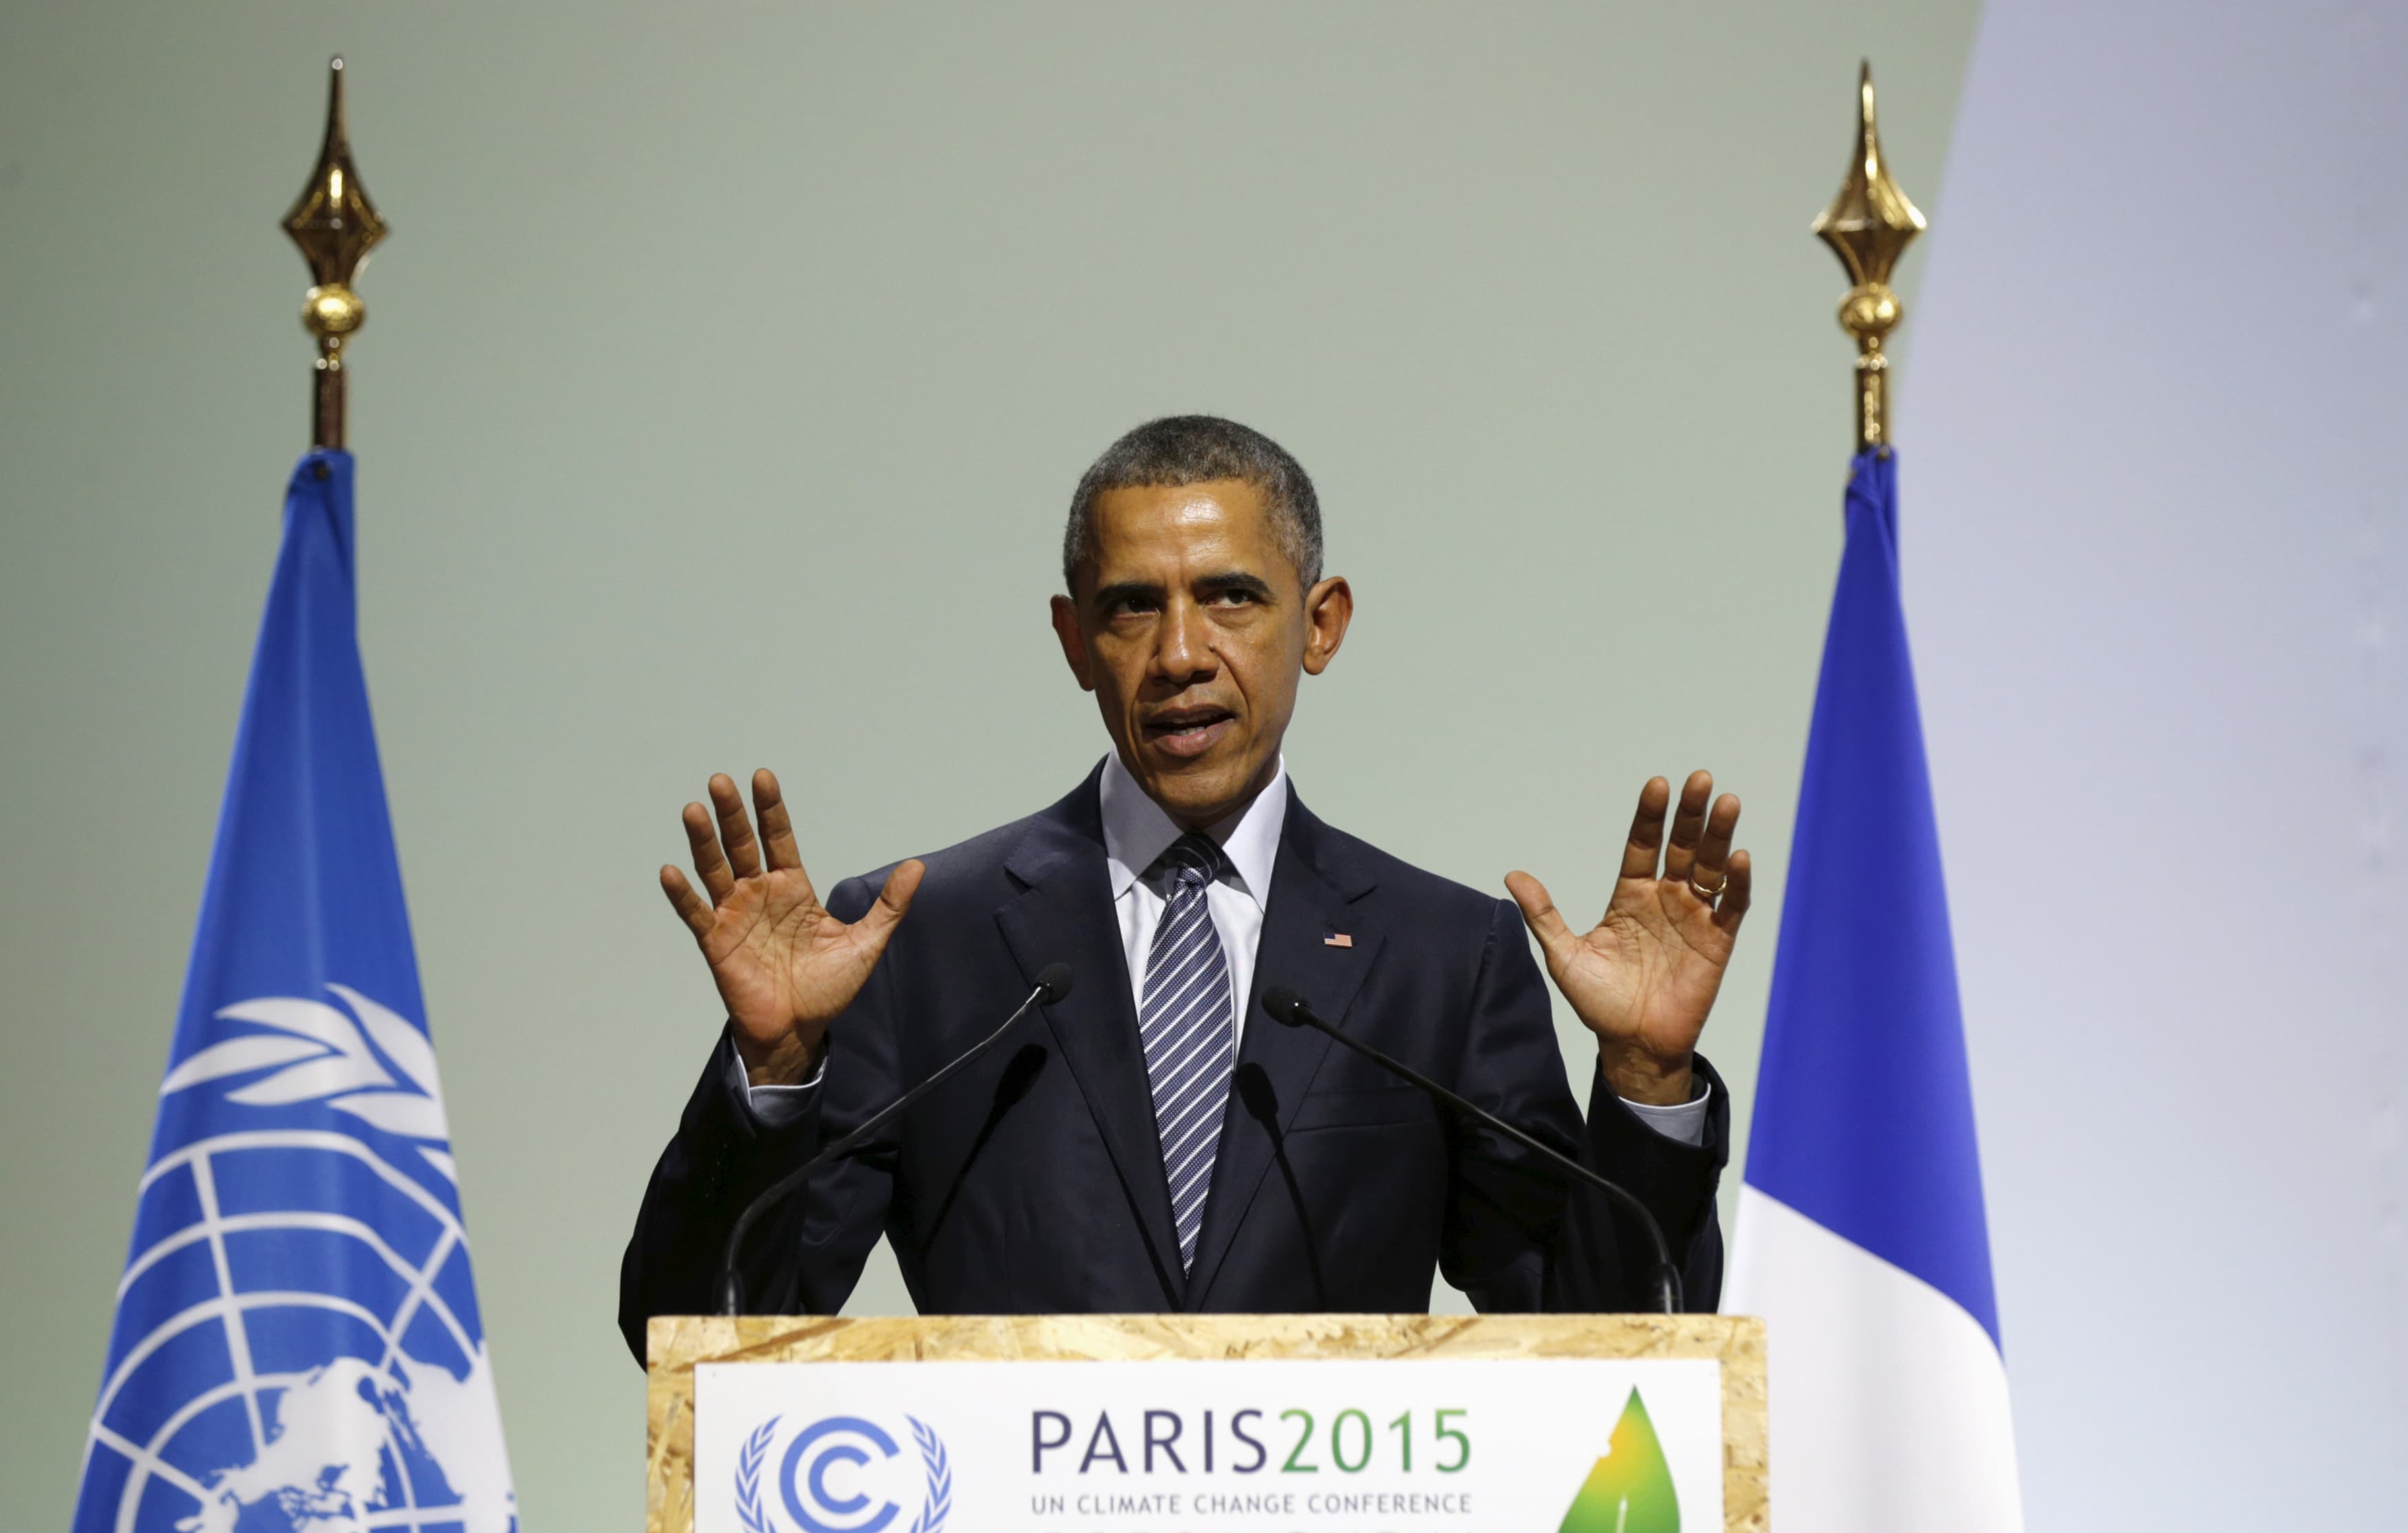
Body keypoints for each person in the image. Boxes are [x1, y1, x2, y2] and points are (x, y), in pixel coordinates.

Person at [619, 416, 1750, 1362]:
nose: (1178, 654)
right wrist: (775, 1073)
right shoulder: (918, 944)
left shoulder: (1444, 957)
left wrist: (1648, 1084)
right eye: (1129, 606)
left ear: (1321, 623)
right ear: (1073, 640)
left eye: (1229, 598)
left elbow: (1604, 1347)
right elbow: (702, 1340)